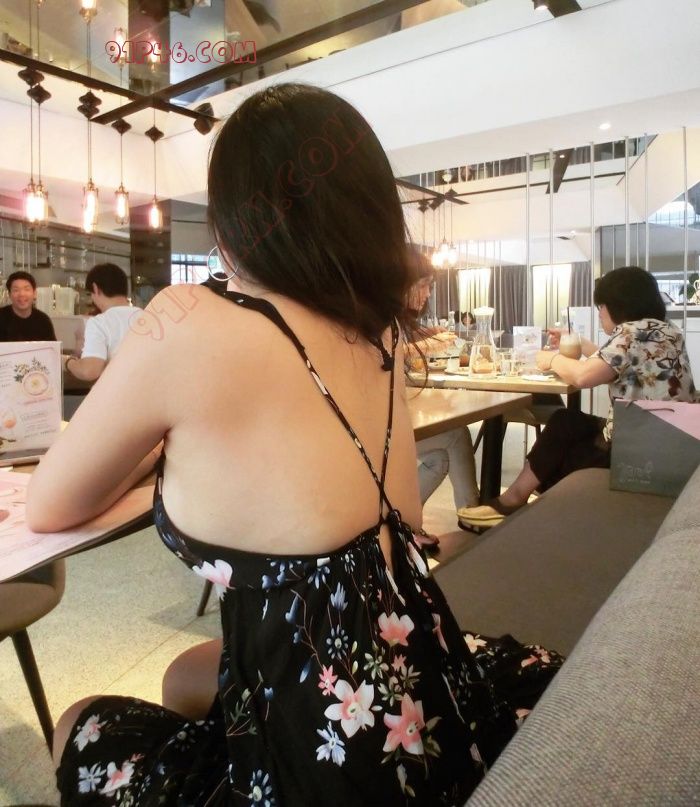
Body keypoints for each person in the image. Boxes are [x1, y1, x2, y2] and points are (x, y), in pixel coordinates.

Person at [28, 83, 561, 805]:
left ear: (232, 218)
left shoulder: (185, 316)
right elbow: (396, 515)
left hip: (328, 757)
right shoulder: (377, 331)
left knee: (80, 722)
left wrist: (152, 448)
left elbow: (49, 503)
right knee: (187, 675)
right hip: (422, 677)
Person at [459, 266, 696, 528]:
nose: (600, 314)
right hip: (669, 442)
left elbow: (584, 376)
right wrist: (579, 342)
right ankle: (518, 499)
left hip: (639, 453)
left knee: (557, 450)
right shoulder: (665, 330)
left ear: (616, 305)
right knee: (566, 422)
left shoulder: (631, 333)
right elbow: (614, 364)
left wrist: (550, 359)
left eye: (601, 307)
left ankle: (516, 503)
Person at [406, 257, 480, 528]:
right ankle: (473, 516)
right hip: (378, 429)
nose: (427, 294)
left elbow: (401, 341)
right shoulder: (380, 320)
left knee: (438, 458)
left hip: (396, 415)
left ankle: (403, 524)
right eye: (423, 285)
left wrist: (427, 335)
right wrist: (428, 344)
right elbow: (384, 354)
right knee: (457, 434)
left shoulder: (396, 321)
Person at [63, 263, 136, 382]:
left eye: (90, 294)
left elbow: (89, 371)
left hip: (118, 391)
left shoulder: (99, 323)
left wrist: (67, 362)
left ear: (95, 288)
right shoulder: (148, 317)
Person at [0, 271, 56, 342]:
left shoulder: (43, 320)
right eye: (16, 290)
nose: (22, 294)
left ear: (34, 293)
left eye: (27, 289)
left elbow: (52, 347)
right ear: (9, 295)